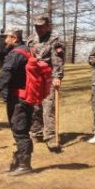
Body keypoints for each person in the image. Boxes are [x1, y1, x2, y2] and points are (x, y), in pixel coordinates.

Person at [0, 27, 35, 176]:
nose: (5, 41)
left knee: (20, 131)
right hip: (25, 97)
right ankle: (18, 163)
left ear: (14, 38)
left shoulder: (15, 55)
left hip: (18, 99)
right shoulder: (26, 50)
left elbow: (4, 77)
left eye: (7, 38)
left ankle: (24, 165)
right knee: (21, 130)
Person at [27, 15, 64, 151]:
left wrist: (57, 76)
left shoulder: (55, 41)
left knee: (48, 107)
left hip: (48, 78)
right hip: (35, 78)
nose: (39, 29)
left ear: (48, 26)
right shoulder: (31, 39)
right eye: (37, 26)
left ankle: (50, 136)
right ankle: (36, 132)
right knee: (35, 106)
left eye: (41, 26)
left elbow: (58, 61)